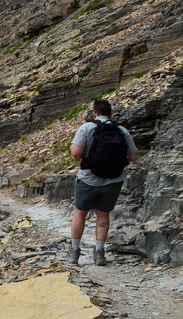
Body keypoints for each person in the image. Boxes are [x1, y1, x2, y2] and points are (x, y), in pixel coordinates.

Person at [67, 99, 138, 266]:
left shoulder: (87, 127)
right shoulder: (121, 130)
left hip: (89, 179)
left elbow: (76, 153)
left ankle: (74, 252)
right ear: (110, 114)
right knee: (103, 214)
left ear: (95, 113)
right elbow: (134, 157)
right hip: (114, 180)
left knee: (80, 212)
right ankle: (99, 253)